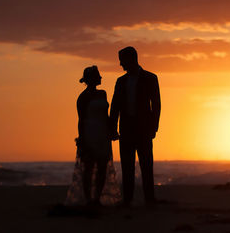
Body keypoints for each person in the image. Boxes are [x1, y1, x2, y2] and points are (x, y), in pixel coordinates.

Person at [109, 46, 161, 207]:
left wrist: (154, 127)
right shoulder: (121, 81)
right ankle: (127, 200)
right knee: (127, 166)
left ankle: (149, 199)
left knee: (146, 164)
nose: (120, 65)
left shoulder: (150, 78)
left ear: (131, 59)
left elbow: (156, 105)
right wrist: (112, 128)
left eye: (122, 61)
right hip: (126, 129)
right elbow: (115, 106)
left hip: (144, 129)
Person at [65, 66, 121, 206]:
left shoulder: (103, 94)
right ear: (90, 79)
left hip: (103, 133)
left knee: (102, 166)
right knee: (88, 167)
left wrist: (112, 130)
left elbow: (106, 115)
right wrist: (82, 138)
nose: (100, 78)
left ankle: (96, 198)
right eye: (97, 76)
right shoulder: (83, 98)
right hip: (90, 133)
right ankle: (88, 198)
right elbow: (81, 119)